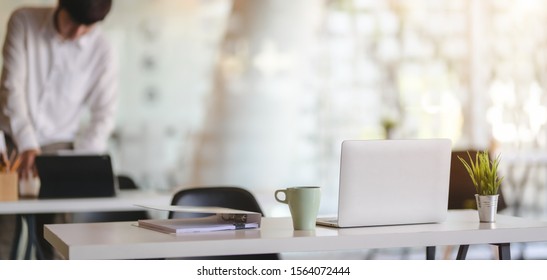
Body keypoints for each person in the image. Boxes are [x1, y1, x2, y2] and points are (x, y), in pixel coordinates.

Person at [0, 0, 117, 259]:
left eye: (87, 28)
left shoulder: (102, 49)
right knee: (4, 227)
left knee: (58, 237)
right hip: (11, 146)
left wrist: (82, 162)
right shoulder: (23, 21)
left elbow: (104, 113)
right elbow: (12, 88)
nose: (77, 33)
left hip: (61, 149)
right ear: (59, 5)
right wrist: (27, 142)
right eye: (72, 22)